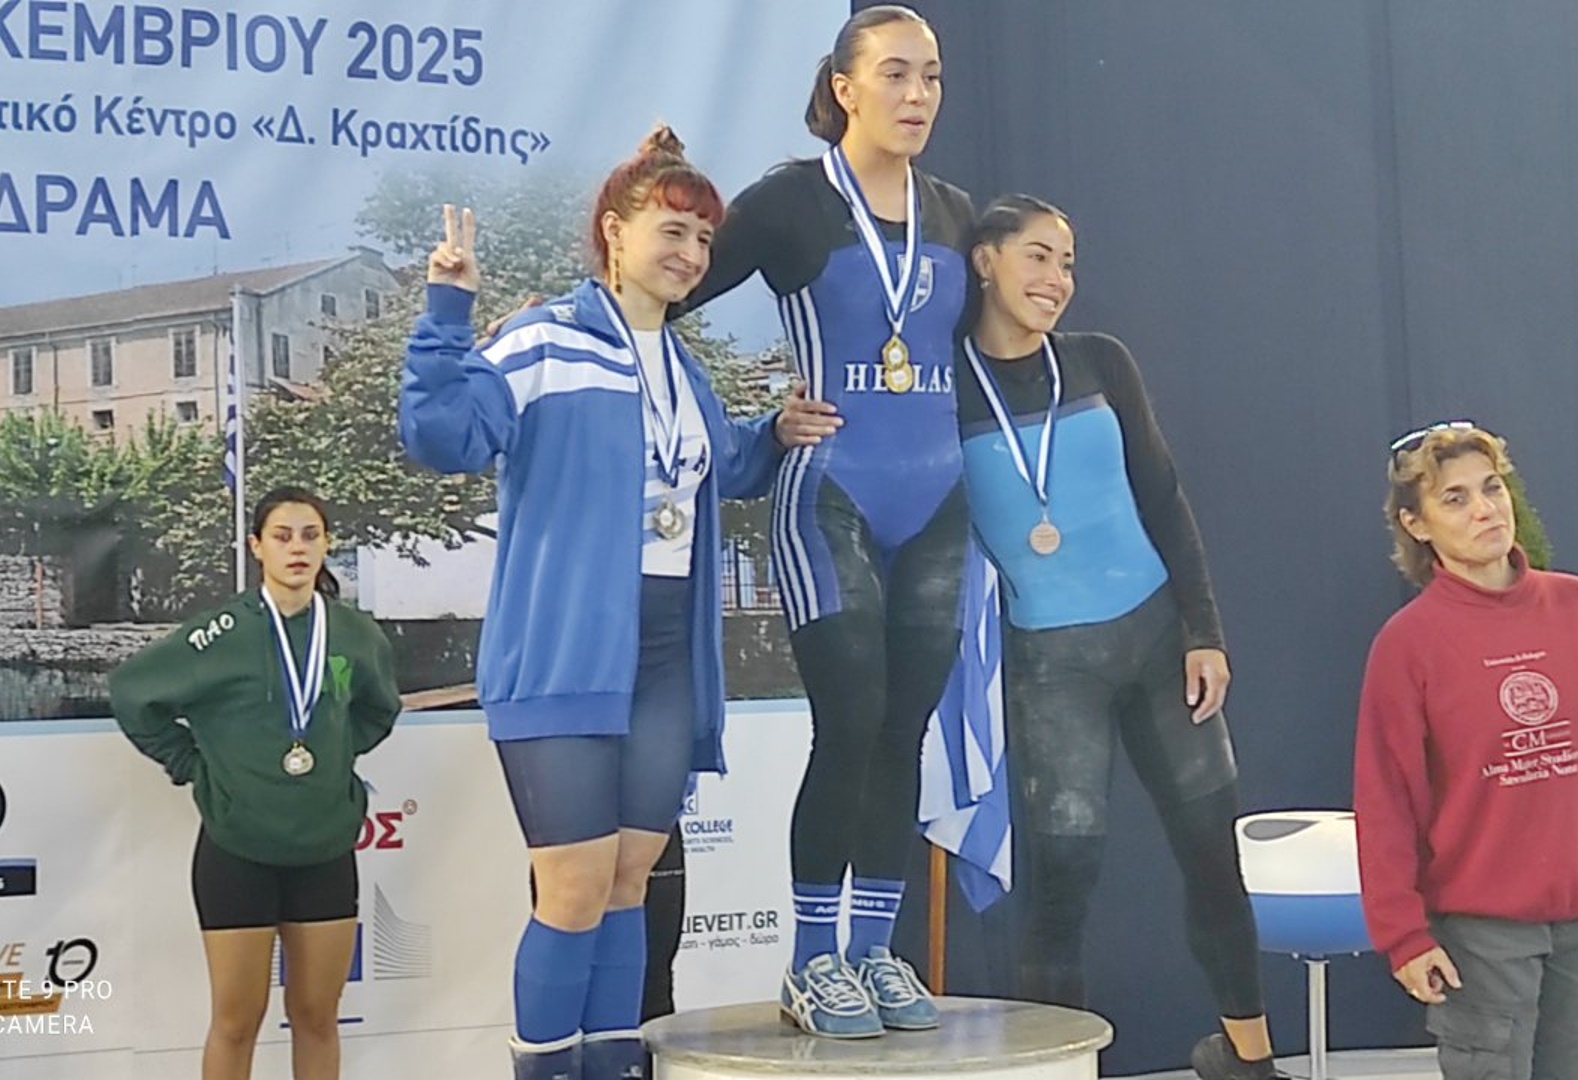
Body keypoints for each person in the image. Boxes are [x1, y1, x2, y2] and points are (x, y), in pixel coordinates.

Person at [399, 125, 838, 1080]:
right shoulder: (544, 339)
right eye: (672, 231)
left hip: (667, 659)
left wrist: (773, 433)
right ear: (614, 232)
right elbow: (443, 436)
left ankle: (612, 1066)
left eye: (704, 239)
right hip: (563, 653)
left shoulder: (682, 365)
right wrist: (446, 313)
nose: (691, 253)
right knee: (572, 886)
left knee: (631, 881)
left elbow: (718, 467)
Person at [673, 3, 973, 1038]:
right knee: (850, 720)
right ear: (844, 88)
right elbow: (659, 297)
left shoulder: (955, 213)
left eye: (931, 76)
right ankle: (810, 963)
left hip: (939, 506)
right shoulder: (789, 203)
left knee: (904, 730)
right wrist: (750, 423)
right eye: (895, 74)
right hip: (830, 496)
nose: (917, 95)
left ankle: (872, 951)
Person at [955, 194, 1279, 1080]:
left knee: (1213, 857)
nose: (1056, 279)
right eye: (1037, 256)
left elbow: (1163, 496)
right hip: (1053, 666)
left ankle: (1249, 1063)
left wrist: (1204, 631)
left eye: (1066, 263)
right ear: (984, 260)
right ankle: (1054, 1069)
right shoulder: (945, 385)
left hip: (1158, 640)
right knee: (1063, 880)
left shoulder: (1100, 360)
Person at [1353, 421, 1578, 1080]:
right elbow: (1386, 801)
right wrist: (1403, 934)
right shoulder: (1408, 646)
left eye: (1492, 488)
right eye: (1455, 498)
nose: (1484, 509)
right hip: (1482, 931)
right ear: (1416, 524)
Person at [110, 487, 400, 1080]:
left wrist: (331, 754)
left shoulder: (354, 634)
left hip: (324, 850)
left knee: (317, 1018)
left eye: (310, 536)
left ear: (327, 544)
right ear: (256, 547)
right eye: (282, 536)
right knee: (236, 1022)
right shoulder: (222, 632)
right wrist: (191, 763)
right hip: (237, 851)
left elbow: (379, 711)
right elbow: (132, 693)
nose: (298, 548)